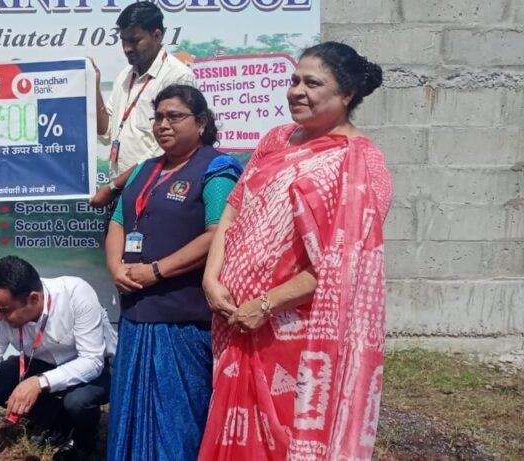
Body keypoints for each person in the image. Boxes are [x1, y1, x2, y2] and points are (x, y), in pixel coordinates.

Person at [198, 42, 391, 460]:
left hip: (297, 333)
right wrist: (211, 277)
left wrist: (265, 305)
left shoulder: (361, 164)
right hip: (234, 321)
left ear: (347, 95)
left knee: (286, 440)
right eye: (294, 80)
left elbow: (345, 266)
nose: (296, 91)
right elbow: (235, 206)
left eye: (312, 83)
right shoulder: (277, 140)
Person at [104, 84, 242, 460]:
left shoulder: (217, 169)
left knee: (176, 421)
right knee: (130, 418)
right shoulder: (144, 171)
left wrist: (157, 271)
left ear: (201, 122)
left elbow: (219, 233)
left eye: (175, 116)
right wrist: (116, 266)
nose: (163, 124)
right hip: (136, 316)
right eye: (158, 117)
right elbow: (118, 221)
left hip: (183, 320)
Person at [0, 256, 117, 461]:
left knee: (78, 401)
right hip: (45, 363)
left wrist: (38, 382)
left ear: (33, 299)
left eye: (5, 310)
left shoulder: (75, 294)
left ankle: (84, 443)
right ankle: (60, 425)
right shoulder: (1, 323)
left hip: (99, 366)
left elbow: (92, 361)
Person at [90, 1, 196, 208]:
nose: (127, 48)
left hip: (156, 190)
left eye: (135, 40)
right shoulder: (125, 75)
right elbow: (106, 132)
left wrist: (113, 187)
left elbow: (168, 148)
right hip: (124, 190)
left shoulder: (177, 77)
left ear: (157, 35)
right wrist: (93, 85)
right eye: (123, 41)